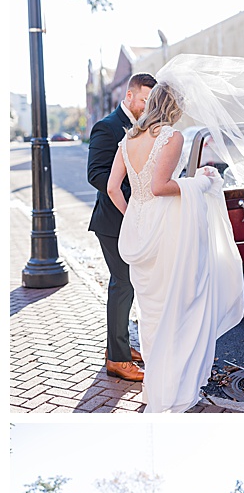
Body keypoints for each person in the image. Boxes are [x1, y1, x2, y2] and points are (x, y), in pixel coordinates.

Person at [105, 54, 244, 412]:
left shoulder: (127, 139)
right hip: (165, 230)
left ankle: (156, 388)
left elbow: (115, 188)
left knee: (152, 313)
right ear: (174, 108)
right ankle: (172, 389)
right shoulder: (171, 137)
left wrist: (134, 214)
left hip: (138, 230)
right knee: (181, 306)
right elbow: (162, 187)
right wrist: (201, 182)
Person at [88, 72, 156, 382]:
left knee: (130, 284)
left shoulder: (142, 127)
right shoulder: (107, 127)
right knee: (122, 283)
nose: (147, 105)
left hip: (133, 218)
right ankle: (116, 359)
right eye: (143, 99)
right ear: (128, 97)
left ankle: (121, 347)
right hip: (113, 221)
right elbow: (97, 175)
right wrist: (134, 199)